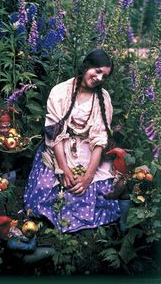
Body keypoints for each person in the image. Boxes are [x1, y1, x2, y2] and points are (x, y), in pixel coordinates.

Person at [24, 49, 120, 233]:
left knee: (90, 186)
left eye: (104, 76)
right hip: (61, 146)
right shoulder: (60, 91)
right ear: (86, 66)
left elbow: (100, 139)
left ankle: (78, 218)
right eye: (97, 71)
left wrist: (89, 175)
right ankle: (51, 218)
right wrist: (64, 169)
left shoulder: (103, 98)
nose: (99, 78)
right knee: (49, 184)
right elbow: (54, 134)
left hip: (89, 149)